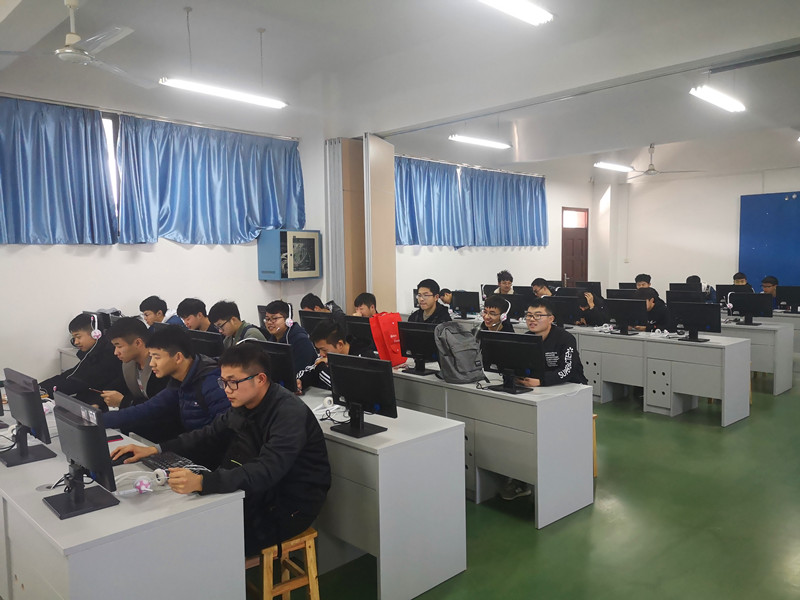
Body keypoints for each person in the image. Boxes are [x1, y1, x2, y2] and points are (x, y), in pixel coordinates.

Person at [111, 343, 331, 556]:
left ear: (260, 379)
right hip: (261, 492)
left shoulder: (288, 413)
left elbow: (266, 470)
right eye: (223, 382)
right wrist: (156, 449)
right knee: (192, 524)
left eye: (233, 382)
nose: (227, 390)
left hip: (290, 504)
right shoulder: (244, 404)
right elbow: (208, 433)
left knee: (210, 540)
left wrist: (203, 482)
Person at [501, 298, 587, 502]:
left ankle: (557, 474)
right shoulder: (526, 338)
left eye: (538, 316)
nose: (532, 320)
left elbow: (567, 370)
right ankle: (522, 475)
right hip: (537, 392)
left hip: (571, 391)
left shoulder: (565, 339)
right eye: (529, 315)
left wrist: (541, 381)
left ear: (551, 318)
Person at [103, 325, 230, 442]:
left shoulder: (212, 382)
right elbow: (148, 408)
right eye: (151, 357)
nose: (151, 363)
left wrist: (161, 449)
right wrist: (99, 419)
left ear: (178, 357)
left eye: (157, 357)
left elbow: (223, 432)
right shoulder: (178, 381)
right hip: (192, 446)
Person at [40, 313, 125, 409]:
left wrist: (41, 391)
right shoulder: (93, 353)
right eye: (74, 338)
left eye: (78, 337)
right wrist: (40, 388)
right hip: (89, 401)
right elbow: (71, 374)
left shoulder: (107, 355)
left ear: (95, 334)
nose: (76, 342)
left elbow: (77, 381)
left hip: (99, 405)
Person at [99, 317, 168, 410]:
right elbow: (117, 386)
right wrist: (97, 403)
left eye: (119, 346)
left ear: (138, 343)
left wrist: (124, 402)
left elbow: (161, 407)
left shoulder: (160, 368)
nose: (115, 352)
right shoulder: (130, 364)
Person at [297, 319, 377, 392]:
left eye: (324, 350)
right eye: (318, 350)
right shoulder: (327, 356)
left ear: (340, 345)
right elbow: (312, 371)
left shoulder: (363, 358)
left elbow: (348, 389)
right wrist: (301, 381)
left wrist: (322, 368)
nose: (321, 354)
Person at [262, 300, 318, 376]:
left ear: (288, 320)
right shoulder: (272, 339)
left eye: (274, 318)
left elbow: (301, 371)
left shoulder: (301, 341)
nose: (269, 322)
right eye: (267, 319)